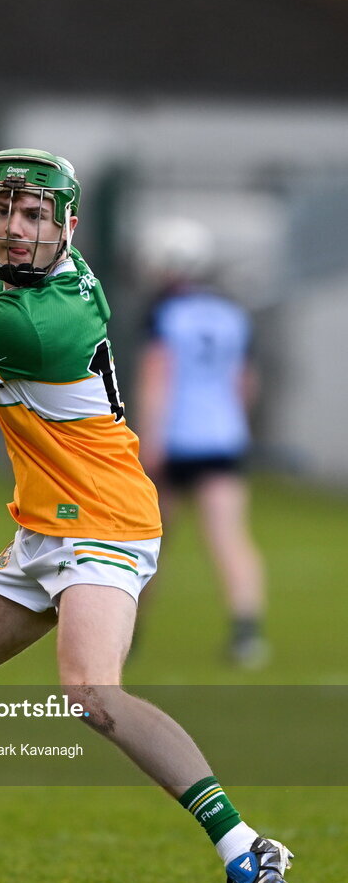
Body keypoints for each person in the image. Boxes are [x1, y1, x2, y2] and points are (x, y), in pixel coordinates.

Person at [0, 150, 292, 883]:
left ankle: (246, 845)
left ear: (66, 226)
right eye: (6, 212)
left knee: (91, 694)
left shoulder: (29, 326)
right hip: (43, 530)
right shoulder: (56, 274)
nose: (16, 230)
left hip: (106, 525)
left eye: (34, 216)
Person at [134, 218, 268, 668]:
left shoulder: (161, 313)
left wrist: (149, 437)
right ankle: (247, 633)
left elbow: (158, 378)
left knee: (149, 543)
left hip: (174, 440)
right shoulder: (233, 313)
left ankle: (126, 634)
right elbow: (245, 383)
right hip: (223, 439)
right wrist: (236, 425)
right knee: (230, 537)